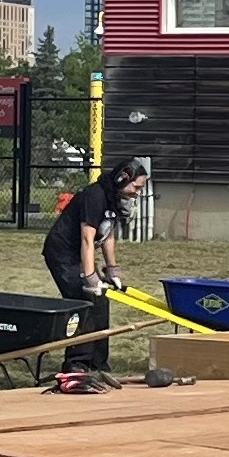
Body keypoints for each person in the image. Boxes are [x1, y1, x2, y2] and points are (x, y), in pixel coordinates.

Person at [42, 157, 150, 370]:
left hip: (80, 253)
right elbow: (87, 238)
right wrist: (91, 278)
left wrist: (112, 270)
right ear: (122, 179)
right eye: (136, 187)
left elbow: (107, 234)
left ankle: (98, 363)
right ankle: (77, 363)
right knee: (84, 302)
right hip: (63, 254)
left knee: (101, 301)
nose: (137, 192)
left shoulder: (112, 197)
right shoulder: (94, 196)